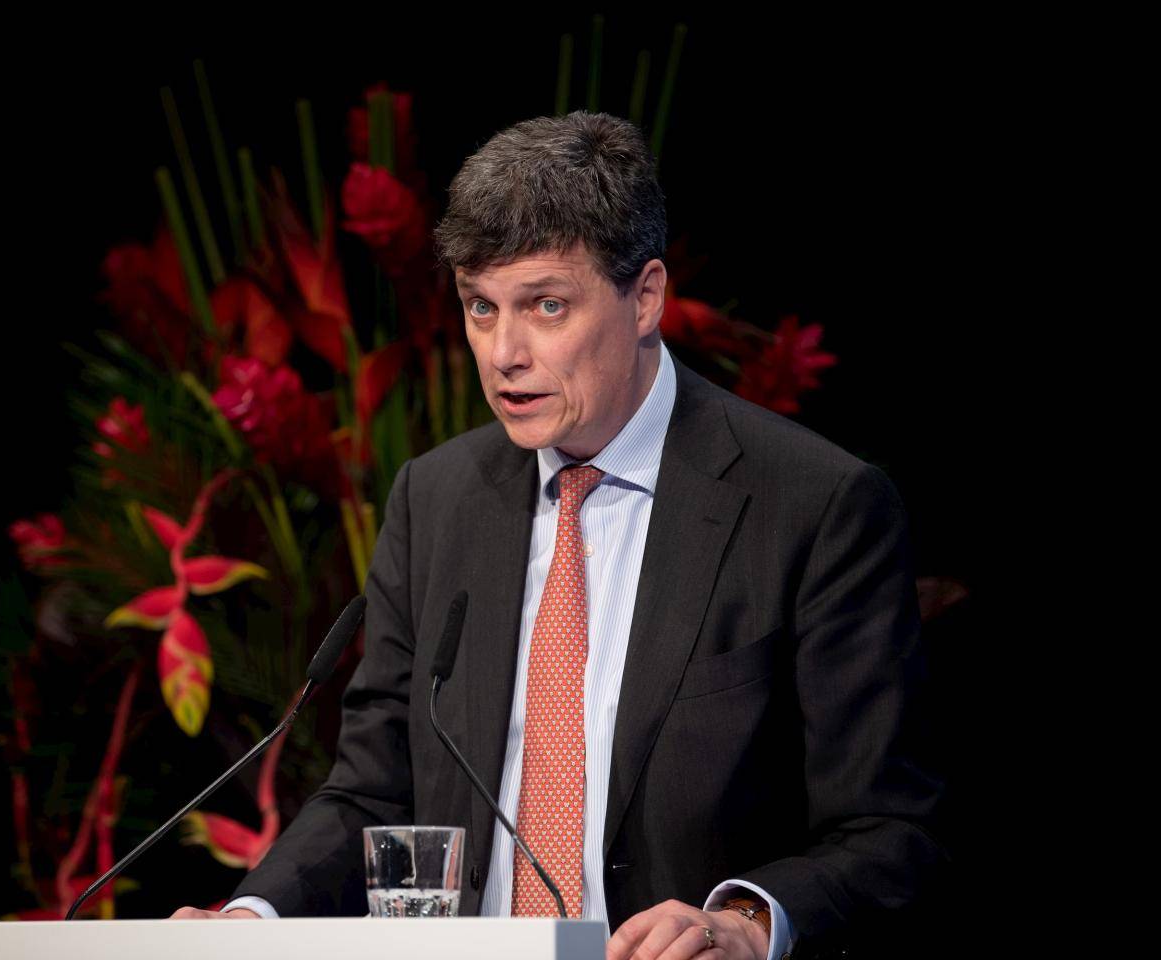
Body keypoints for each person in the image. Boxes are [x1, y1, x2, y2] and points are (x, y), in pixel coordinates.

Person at [171, 111, 946, 960]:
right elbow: (373, 789)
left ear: (645, 297)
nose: (504, 352)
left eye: (547, 306)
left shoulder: (815, 506)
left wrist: (746, 922)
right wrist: (251, 919)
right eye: (481, 307)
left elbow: (887, 830)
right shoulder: (436, 500)